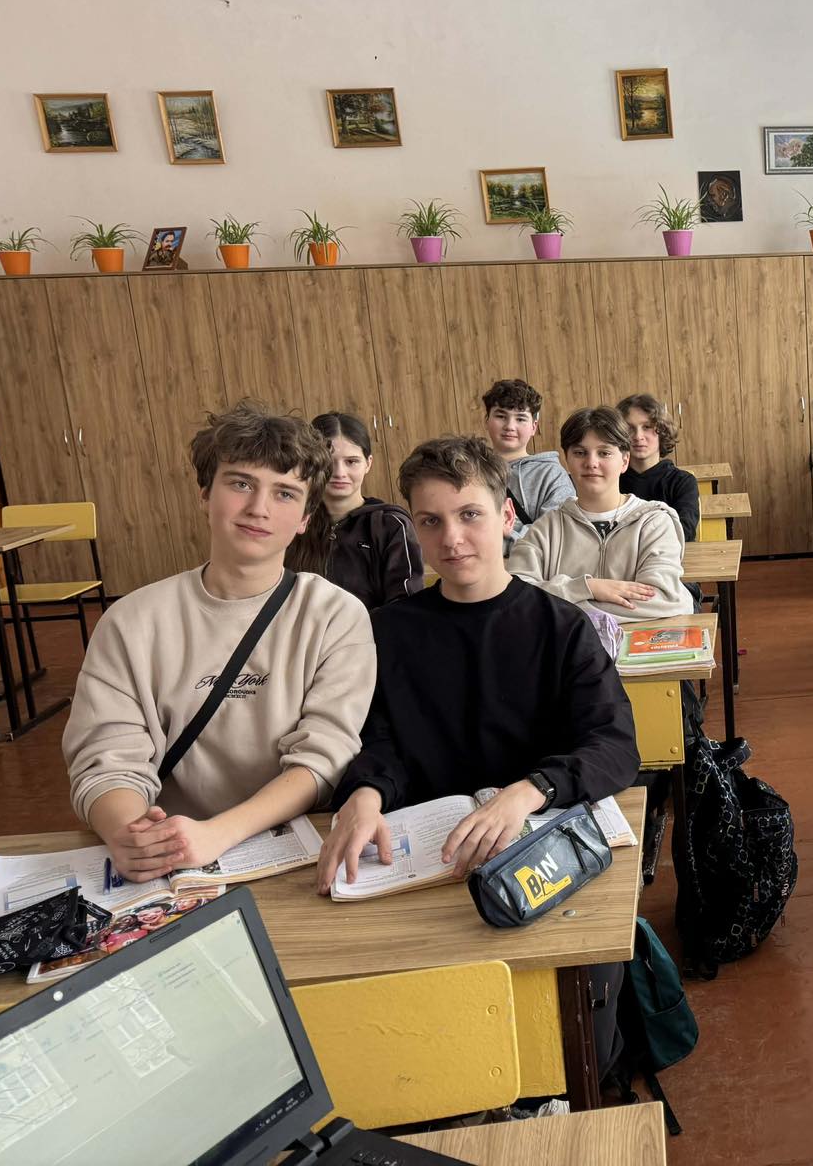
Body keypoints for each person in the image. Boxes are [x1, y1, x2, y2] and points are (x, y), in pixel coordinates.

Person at [316, 434, 638, 1083]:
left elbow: (613, 745)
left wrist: (529, 790)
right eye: (431, 521)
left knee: (565, 1043)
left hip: (537, 853)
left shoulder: (559, 626)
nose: (452, 538)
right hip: (423, 868)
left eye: (469, 515)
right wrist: (366, 792)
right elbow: (378, 739)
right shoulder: (390, 631)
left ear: (507, 516)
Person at [64, 402, 376, 882]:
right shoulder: (130, 621)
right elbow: (107, 756)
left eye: (285, 493)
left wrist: (217, 834)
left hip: (293, 848)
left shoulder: (336, 616)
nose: (258, 508)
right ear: (206, 493)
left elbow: (323, 756)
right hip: (169, 856)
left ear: (305, 518)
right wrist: (132, 835)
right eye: (241, 484)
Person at [510, 407, 691, 623]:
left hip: (636, 643)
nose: (591, 463)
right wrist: (587, 587)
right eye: (580, 453)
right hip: (570, 645)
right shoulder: (546, 528)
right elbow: (515, 597)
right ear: (567, 459)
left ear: (624, 461)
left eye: (604, 453)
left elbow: (665, 600)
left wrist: (559, 607)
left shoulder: (654, 522)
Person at [285, 411, 423, 609]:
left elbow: (406, 604)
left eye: (351, 461)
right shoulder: (293, 519)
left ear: (368, 463)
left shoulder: (390, 523)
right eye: (329, 462)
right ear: (313, 464)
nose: (339, 473)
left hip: (374, 628)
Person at [482, 378, 574, 556]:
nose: (510, 426)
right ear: (487, 420)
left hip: (532, 568)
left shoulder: (552, 474)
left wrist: (497, 543)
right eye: (501, 416)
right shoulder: (470, 472)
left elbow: (556, 534)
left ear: (533, 427)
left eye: (520, 418)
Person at [617, 393, 700, 542]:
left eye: (647, 427)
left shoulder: (682, 481)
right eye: (629, 428)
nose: (638, 436)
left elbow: (684, 531)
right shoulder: (611, 480)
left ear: (662, 432)